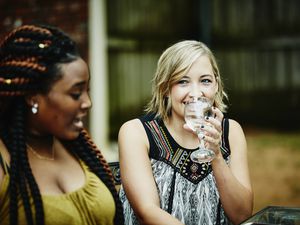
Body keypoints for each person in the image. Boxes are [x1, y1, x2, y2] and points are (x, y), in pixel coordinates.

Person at [118, 40, 253, 225]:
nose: (196, 93)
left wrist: (216, 155)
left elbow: (242, 215)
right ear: (165, 88)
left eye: (205, 81)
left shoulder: (231, 132)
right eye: (183, 82)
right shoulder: (136, 133)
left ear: (216, 85)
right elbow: (147, 211)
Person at [0, 24, 124, 225]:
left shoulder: (78, 148)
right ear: (33, 97)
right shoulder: (5, 161)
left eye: (87, 91)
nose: (87, 103)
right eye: (75, 94)